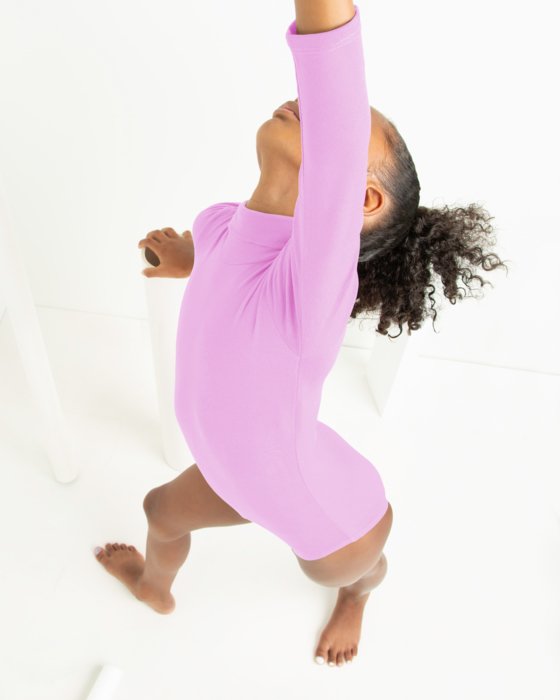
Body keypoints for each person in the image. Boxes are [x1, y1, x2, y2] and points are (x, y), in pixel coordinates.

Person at [94, 1, 508, 668]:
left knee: (350, 570)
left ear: (356, 199)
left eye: (338, 121)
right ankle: (154, 590)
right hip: (236, 470)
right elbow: (227, 259)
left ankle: (360, 597)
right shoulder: (221, 222)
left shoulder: (312, 287)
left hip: (331, 515)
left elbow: (332, 90)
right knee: (161, 511)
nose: (304, 101)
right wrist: (186, 258)